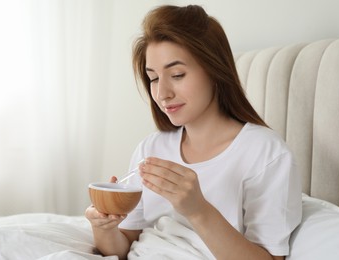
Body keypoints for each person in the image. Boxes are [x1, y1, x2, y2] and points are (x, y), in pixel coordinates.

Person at [85, 4, 302, 260]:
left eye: (177, 74)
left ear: (214, 71)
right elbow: (122, 248)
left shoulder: (266, 153)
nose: (162, 93)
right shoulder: (151, 149)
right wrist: (103, 227)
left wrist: (198, 210)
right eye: (153, 78)